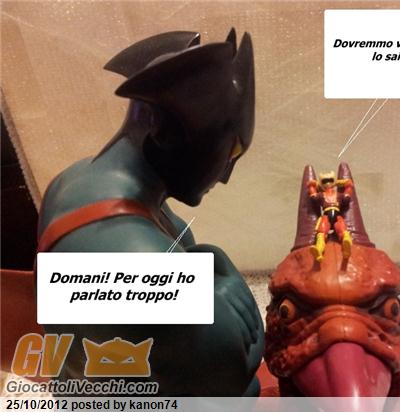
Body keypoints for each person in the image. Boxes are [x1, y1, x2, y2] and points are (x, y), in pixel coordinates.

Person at [36, 29, 264, 396]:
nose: (224, 175)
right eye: (230, 151)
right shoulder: (141, 261)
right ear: (167, 130)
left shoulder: (71, 181)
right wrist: (223, 272)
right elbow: (235, 367)